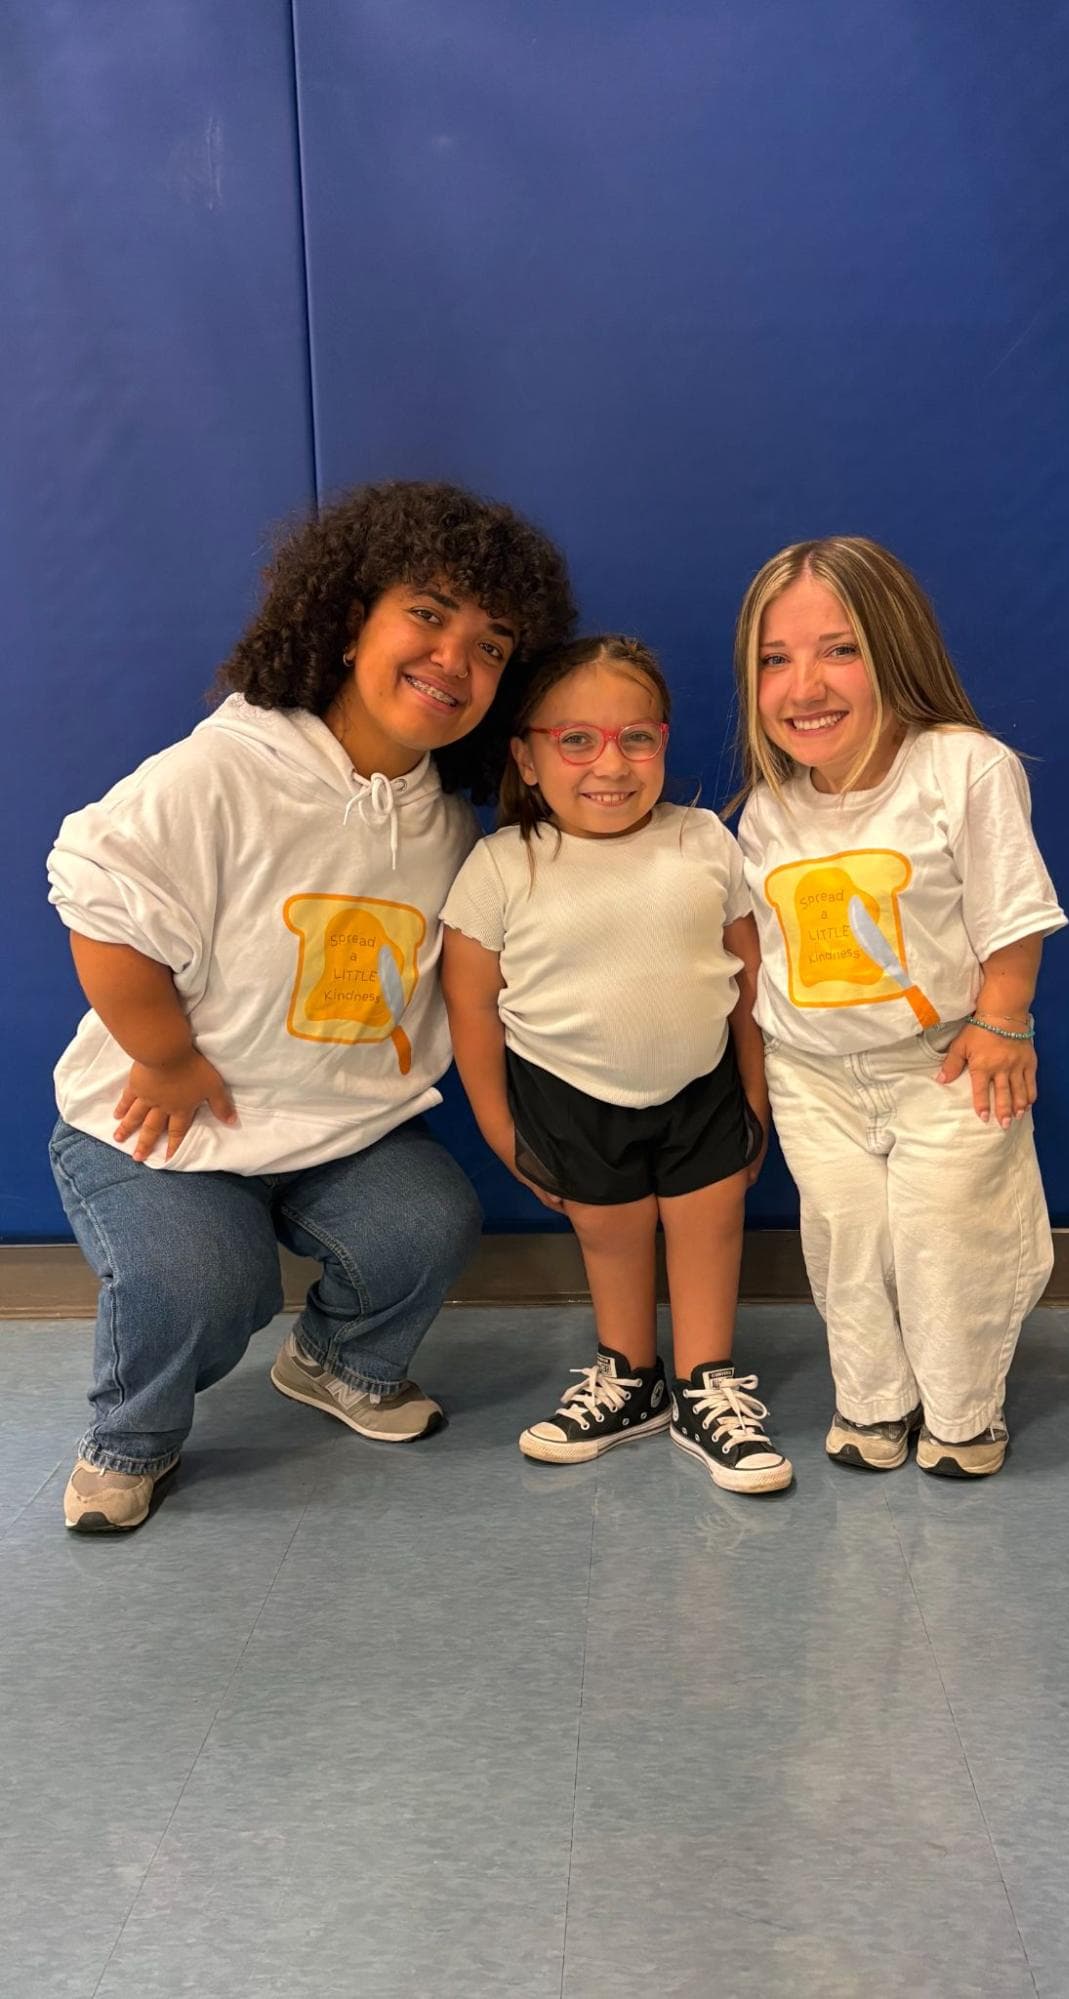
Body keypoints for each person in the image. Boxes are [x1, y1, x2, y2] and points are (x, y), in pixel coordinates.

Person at [47, 480, 575, 1531]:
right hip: (161, 1123)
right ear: (347, 621)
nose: (454, 658)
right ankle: (130, 1438)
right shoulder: (222, 770)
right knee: (202, 1278)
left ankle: (337, 1360)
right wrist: (163, 1055)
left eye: (490, 645)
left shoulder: (443, 823)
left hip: (329, 1129)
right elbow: (99, 902)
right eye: (427, 614)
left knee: (426, 1222)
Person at [733, 536, 1066, 1477]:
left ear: (895, 648)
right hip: (813, 1075)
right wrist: (762, 1075)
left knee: (949, 1239)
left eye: (838, 649)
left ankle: (961, 1410)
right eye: (774, 659)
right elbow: (762, 954)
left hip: (943, 1062)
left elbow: (1010, 909)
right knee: (847, 1241)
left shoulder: (962, 768)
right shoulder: (769, 808)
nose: (804, 685)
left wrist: (1003, 1018)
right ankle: (873, 1400)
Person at [440, 635, 792, 1495]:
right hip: (566, 1102)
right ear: (526, 756)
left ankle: (706, 1383)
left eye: (636, 737)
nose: (610, 763)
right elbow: (471, 1009)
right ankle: (630, 1377)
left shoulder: (703, 839)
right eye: (576, 739)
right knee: (612, 1236)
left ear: (662, 742)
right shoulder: (501, 864)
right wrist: (501, 1130)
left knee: (709, 1226)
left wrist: (755, 1097)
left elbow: (750, 982)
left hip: (703, 1089)